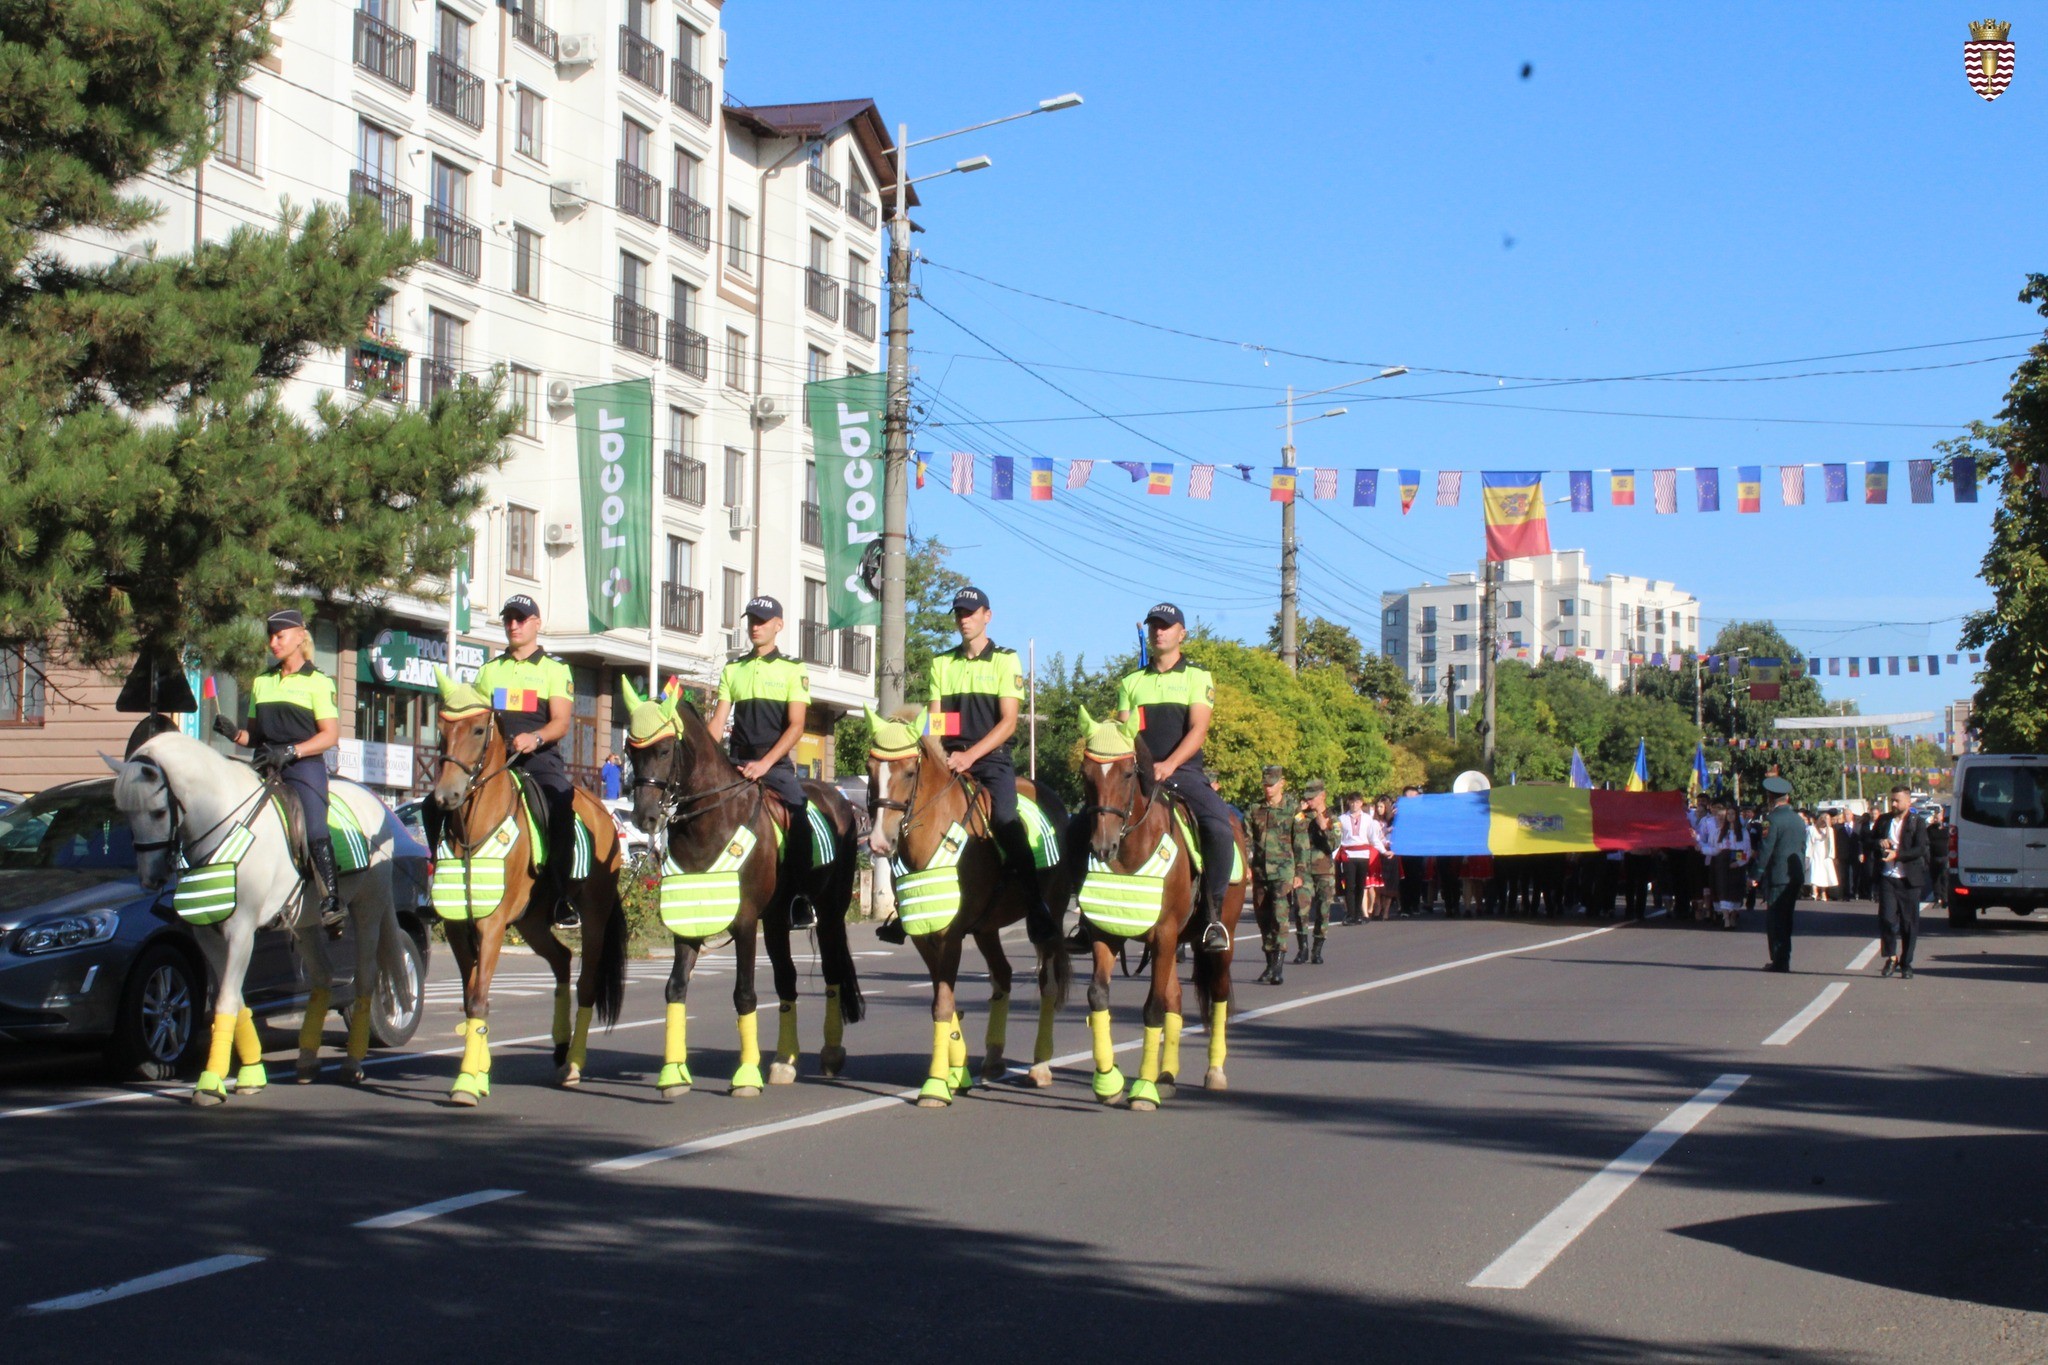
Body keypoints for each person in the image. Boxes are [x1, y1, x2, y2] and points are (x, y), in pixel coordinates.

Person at [930, 587, 1060, 943]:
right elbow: (937, 723)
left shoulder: (1006, 660)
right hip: (950, 761)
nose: (964, 619)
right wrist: (943, 756)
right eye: (959, 613)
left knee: (1005, 819)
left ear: (987, 616)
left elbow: (1008, 723)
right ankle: (901, 905)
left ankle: (1036, 906)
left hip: (991, 762)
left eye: (971, 612)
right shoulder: (941, 663)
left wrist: (971, 756)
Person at [1115, 602, 1237, 954]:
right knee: (1091, 822)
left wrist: (1168, 765)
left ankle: (1213, 914)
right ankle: (1087, 918)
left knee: (1218, 826)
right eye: (1154, 625)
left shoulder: (1197, 677)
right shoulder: (1131, 682)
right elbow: (1125, 733)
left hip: (1183, 773)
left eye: (1166, 626)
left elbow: (1198, 730)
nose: (1158, 631)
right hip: (1139, 776)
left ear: (1181, 633)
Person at [221, 609, 342, 923]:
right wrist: (233, 733)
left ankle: (331, 900)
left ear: (300, 636)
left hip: (303, 767)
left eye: (280, 636)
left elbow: (330, 735)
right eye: (270, 637)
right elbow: (254, 736)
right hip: (264, 765)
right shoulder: (262, 682)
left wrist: (292, 751)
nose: (273, 643)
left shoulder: (318, 682)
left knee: (314, 827)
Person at [709, 597, 816, 930]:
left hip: (775, 765)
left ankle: (800, 897)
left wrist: (766, 765)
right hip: (736, 762)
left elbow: (796, 726)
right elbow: (717, 722)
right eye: (752, 620)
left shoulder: (793, 669)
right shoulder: (733, 669)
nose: (755, 626)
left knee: (799, 814)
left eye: (763, 620)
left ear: (778, 625)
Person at [473, 594, 578, 924]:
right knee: (441, 803)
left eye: (520, 619)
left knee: (560, 805)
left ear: (536, 623)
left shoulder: (554, 670)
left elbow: (561, 722)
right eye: (508, 619)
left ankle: (562, 896)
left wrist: (535, 738)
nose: (513, 625)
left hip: (538, 760)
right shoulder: (489, 670)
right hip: (492, 761)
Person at [1247, 765, 1306, 985]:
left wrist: (1299, 872)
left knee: (1279, 919)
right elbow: (1245, 839)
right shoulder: (1254, 809)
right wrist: (1245, 864)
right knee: (1263, 919)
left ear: (1281, 783)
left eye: (1271, 784)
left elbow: (1301, 844)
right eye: (1265, 784)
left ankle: (1278, 967)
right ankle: (1269, 964)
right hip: (1261, 873)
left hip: (1283, 873)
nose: (1268, 788)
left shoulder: (1293, 810)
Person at [1750, 776, 1806, 971]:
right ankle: (1783, 958)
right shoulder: (1798, 820)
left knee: (1775, 920)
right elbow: (1802, 847)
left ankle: (1779, 960)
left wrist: (1755, 875)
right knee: (1786, 918)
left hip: (1778, 876)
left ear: (1770, 797)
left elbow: (1766, 850)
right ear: (1787, 797)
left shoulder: (1772, 820)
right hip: (1794, 876)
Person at [1875, 785, 1931, 978]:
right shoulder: (1884, 821)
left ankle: (1906, 962)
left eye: (1897, 800)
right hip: (1888, 878)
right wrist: (1880, 842)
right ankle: (1891, 957)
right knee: (1887, 920)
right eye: (1892, 800)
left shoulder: (1917, 822)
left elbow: (1920, 849)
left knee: (1909, 923)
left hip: (1909, 879)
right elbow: (1869, 840)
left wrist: (1897, 855)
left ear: (1908, 802)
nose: (1894, 804)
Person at [1295, 778, 1337, 963]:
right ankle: (1302, 948)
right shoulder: (1302, 816)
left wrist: (1323, 828)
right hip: (1303, 869)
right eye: (1307, 798)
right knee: (1301, 909)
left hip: (1324, 870)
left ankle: (1317, 949)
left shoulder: (1332, 818)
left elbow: (1335, 844)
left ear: (1323, 796)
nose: (1309, 801)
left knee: (1323, 909)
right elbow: (1291, 829)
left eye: (1313, 798)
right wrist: (1299, 810)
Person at [1708, 798, 1751, 928]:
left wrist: (1738, 863)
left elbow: (1746, 851)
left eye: (1733, 814)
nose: (1730, 816)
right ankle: (1726, 917)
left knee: (1734, 890)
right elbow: (1715, 848)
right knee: (1722, 888)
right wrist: (1698, 842)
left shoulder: (1742, 832)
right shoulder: (1721, 831)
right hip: (1722, 862)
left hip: (1736, 861)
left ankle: (1733, 915)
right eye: (1728, 814)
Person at [1337, 793, 1373, 925]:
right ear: (1348, 803)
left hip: (1363, 854)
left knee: (1360, 885)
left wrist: (1384, 851)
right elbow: (1338, 838)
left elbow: (1373, 837)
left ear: (1361, 803)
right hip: (1349, 855)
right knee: (1350, 885)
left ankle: (1358, 914)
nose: (1354, 805)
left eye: (1357, 802)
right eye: (1352, 802)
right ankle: (1350, 914)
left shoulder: (1368, 819)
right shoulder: (1341, 819)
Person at [1395, 786, 1431, 915]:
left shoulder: (1422, 812)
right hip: (1403, 850)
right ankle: (1405, 907)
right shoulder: (1397, 811)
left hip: (1418, 849)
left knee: (1417, 878)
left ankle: (1415, 905)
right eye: (1409, 797)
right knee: (1404, 879)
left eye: (1414, 797)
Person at [1805, 809, 1838, 903]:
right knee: (1814, 871)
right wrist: (1808, 855)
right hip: (1815, 852)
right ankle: (1814, 892)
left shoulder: (1830, 830)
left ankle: (1823, 892)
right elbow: (1809, 842)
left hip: (1825, 854)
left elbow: (1830, 842)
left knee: (1824, 873)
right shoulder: (1812, 829)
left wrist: (1827, 827)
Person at [1925, 806, 1950, 909]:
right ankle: (1937, 898)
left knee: (1945, 878)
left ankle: (1945, 899)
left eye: (1938, 816)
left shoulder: (1948, 828)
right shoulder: (1930, 829)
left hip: (1945, 857)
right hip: (1933, 857)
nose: (1936, 818)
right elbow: (1925, 842)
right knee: (1935, 879)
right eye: (1935, 816)